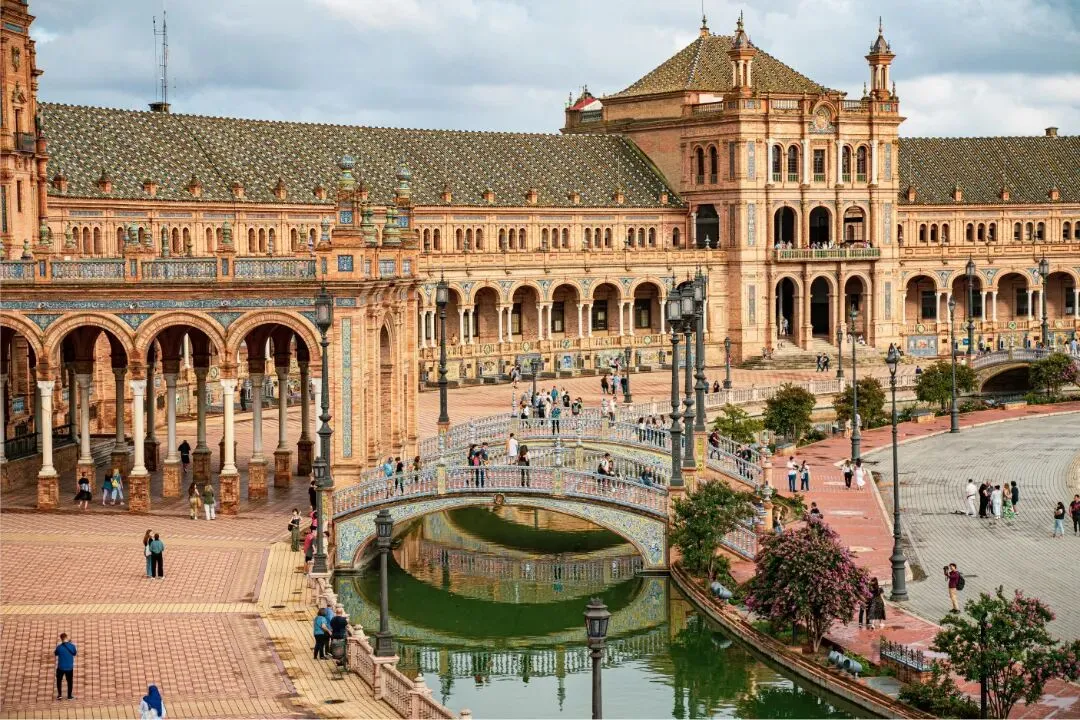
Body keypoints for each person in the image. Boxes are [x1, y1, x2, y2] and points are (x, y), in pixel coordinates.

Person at [54, 632, 77, 700]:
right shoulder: (72, 646)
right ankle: (69, 696)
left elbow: (56, 653)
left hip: (60, 667)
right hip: (69, 668)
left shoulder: (59, 647)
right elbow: (74, 653)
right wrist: (70, 644)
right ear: (66, 637)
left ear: (61, 639)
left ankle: (59, 695)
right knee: (69, 681)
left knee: (59, 680)